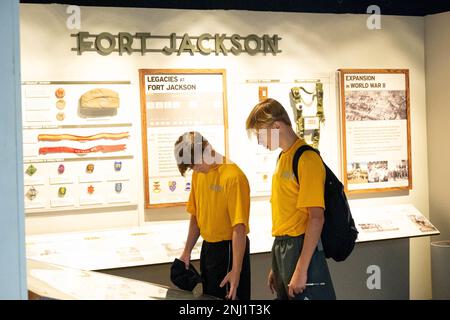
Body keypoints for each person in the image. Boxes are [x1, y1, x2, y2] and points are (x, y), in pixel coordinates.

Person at [246, 98, 335, 300]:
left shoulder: (307, 158)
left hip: (301, 246)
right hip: (284, 246)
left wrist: (301, 269)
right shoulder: (283, 157)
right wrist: (276, 265)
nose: (260, 141)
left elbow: (316, 217)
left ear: (276, 126)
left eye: (260, 134)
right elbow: (286, 214)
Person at [174, 131, 251, 300]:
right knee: (209, 299)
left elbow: (239, 228)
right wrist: (187, 251)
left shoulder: (233, 177)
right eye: (191, 167)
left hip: (230, 249)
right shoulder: (198, 175)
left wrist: (236, 271)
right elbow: (196, 215)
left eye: (195, 164)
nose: (194, 169)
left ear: (207, 149)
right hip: (208, 249)